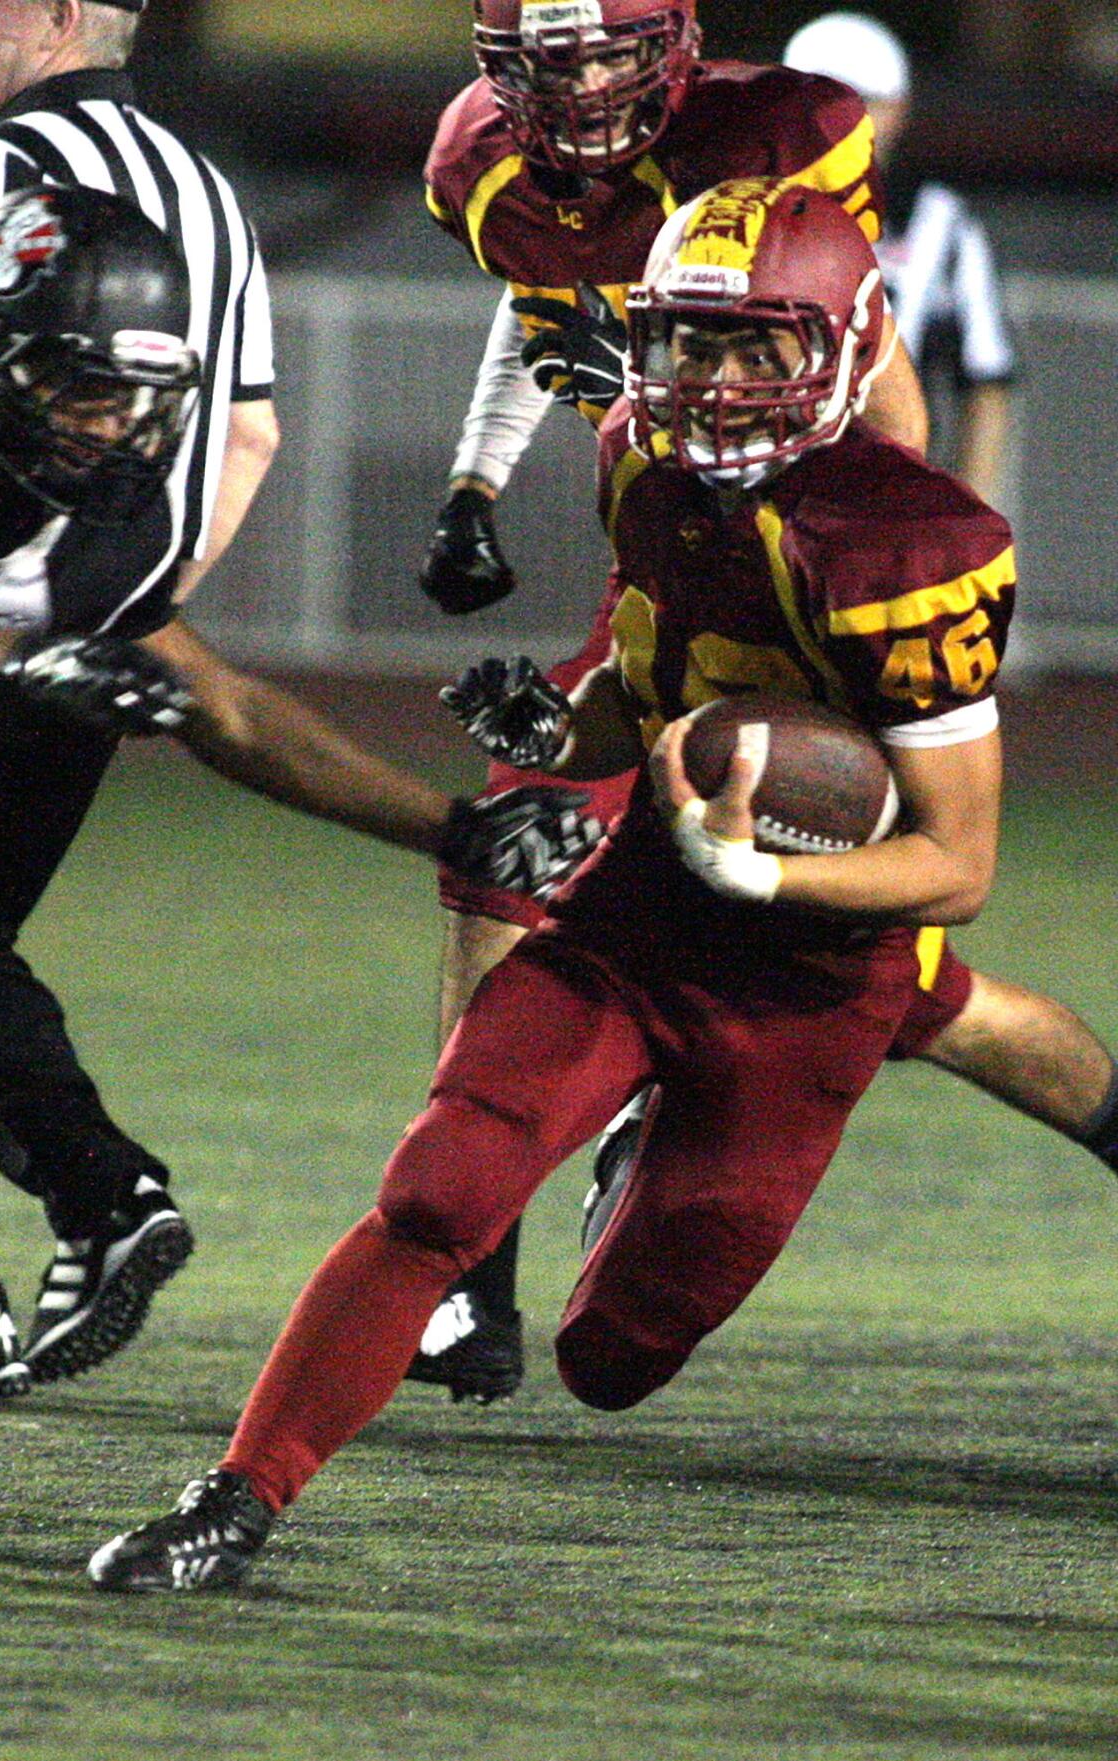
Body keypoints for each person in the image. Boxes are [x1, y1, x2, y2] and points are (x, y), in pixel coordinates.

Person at [87, 177, 1018, 1592]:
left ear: (840, 350)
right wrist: (564, 727)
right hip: (642, 918)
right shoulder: (639, 450)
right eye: (687, 343)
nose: (710, 384)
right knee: (439, 1189)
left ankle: (645, 1150)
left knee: (611, 1361)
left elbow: (957, 865)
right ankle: (235, 1495)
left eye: (755, 347)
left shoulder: (916, 546)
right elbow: (650, 684)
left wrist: (759, 867)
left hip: (812, 993)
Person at [407, 0, 1115, 1404]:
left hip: (801, 561)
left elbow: (886, 397)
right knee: (527, 845)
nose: (590, 89)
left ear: (672, 46)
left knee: (881, 967)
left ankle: (478, 1252)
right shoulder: (488, 173)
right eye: (557, 65)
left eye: (612, 54)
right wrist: (476, 480)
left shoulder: (780, 152)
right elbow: (541, 303)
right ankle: (466, 1265)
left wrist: (844, 604)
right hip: (676, 532)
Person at [0, 184, 599, 1400]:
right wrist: (24, 660)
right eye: (77, 385)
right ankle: (0, 1264)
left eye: (132, 394)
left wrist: (453, 830)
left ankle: (3, 1273)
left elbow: (227, 712)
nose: (109, 425)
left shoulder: (111, 514)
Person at [0, 0, 279, 1386]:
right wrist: (130, 591)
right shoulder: (209, 192)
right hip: (112, 626)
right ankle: (101, 1196)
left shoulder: (10, 178)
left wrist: (17, 597)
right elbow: (248, 430)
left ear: (62, 14)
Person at [783, 11, 1017, 502]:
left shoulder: (941, 223)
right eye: (823, 101)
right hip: (764, 481)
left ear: (900, 108)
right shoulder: (738, 208)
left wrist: (971, 507)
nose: (842, 122)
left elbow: (986, 381)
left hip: (891, 490)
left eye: (864, 100)